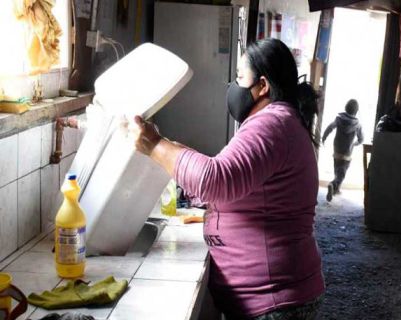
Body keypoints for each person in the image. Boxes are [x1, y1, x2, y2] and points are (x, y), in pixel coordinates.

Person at [131, 38, 325, 320]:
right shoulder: (278, 121)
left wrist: (154, 145)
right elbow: (228, 176)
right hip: (272, 295)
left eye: (238, 77)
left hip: (275, 300)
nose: (232, 87)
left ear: (262, 86)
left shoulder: (273, 124)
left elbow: (215, 180)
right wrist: (170, 150)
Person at [321, 99, 364, 202]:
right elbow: (361, 139)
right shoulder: (357, 124)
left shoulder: (339, 119)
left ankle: (336, 189)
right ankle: (333, 184)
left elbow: (330, 127)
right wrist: (355, 144)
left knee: (337, 169)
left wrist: (324, 137)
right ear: (356, 111)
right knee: (342, 172)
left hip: (337, 148)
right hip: (347, 152)